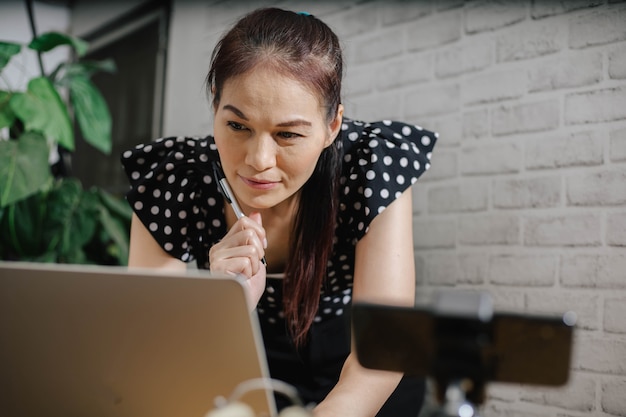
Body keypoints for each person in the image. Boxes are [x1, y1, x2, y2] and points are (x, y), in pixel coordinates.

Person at [121, 7, 436, 417]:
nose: (258, 160)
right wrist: (220, 304)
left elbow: (386, 348)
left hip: (364, 363)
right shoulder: (172, 179)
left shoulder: (371, 165)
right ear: (215, 105)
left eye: (287, 134)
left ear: (333, 126)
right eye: (237, 126)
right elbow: (154, 350)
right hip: (246, 358)